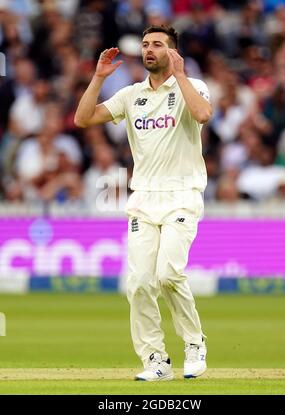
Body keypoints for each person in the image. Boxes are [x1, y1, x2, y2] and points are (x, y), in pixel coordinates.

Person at [74, 25, 212, 381]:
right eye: (146, 45)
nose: (149, 49)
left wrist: (180, 75)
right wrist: (98, 78)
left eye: (157, 45)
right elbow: (82, 118)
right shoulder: (130, 95)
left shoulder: (191, 86)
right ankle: (156, 360)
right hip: (144, 199)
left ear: (173, 52)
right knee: (138, 283)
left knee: (168, 274)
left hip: (182, 196)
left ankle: (194, 344)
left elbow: (203, 115)